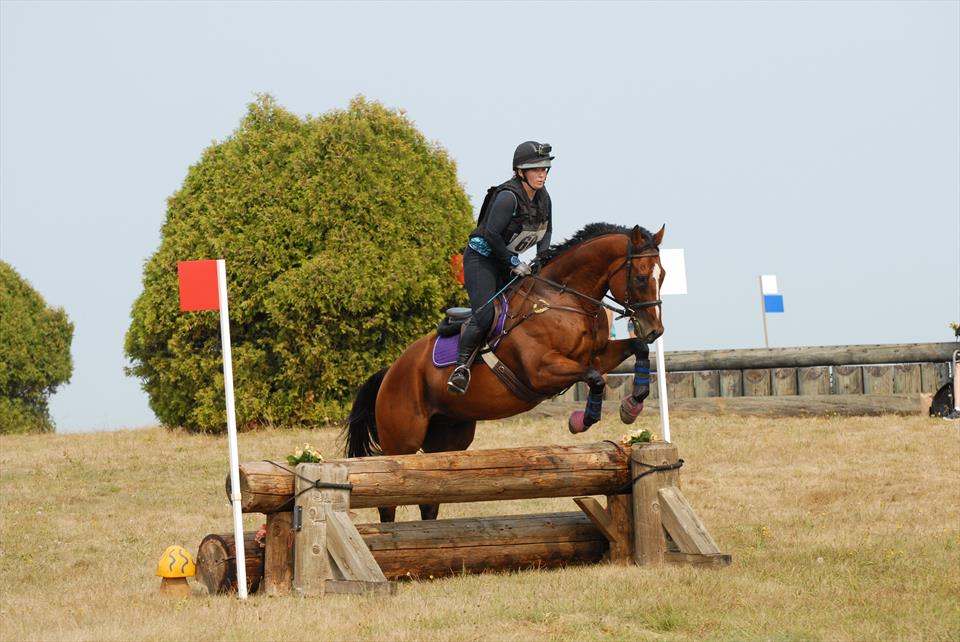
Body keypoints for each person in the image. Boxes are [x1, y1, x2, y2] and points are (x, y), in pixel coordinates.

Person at [447, 141, 555, 394]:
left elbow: (546, 230)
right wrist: (514, 262)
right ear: (520, 172)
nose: (542, 174)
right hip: (482, 260)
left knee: (526, 306)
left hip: (507, 261)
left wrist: (542, 259)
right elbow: (491, 234)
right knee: (486, 314)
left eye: (544, 169)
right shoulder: (508, 197)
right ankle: (460, 368)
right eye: (536, 169)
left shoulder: (543, 197)